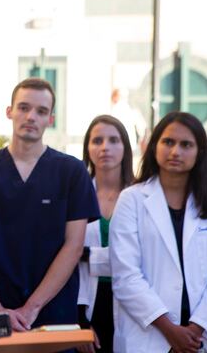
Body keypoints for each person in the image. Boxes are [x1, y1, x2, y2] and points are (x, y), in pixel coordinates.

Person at [0, 78, 99, 334]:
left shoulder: (72, 171)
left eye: (41, 111)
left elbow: (74, 246)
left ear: (51, 119)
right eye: (24, 108)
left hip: (55, 313)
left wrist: (31, 308)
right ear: (9, 111)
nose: (31, 117)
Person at [110, 111, 207, 353]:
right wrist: (170, 330)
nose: (176, 152)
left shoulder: (206, 202)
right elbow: (126, 275)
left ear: (200, 153)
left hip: (199, 339)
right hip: (149, 337)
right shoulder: (131, 199)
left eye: (186, 145)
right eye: (168, 142)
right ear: (155, 146)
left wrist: (196, 328)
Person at [77, 115, 134, 353]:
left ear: (125, 147)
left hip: (132, 304)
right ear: (87, 147)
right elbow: (66, 259)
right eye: (97, 140)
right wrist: (78, 321)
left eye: (113, 140)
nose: (105, 147)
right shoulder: (76, 194)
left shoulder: (141, 195)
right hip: (86, 303)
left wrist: (86, 255)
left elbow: (142, 259)